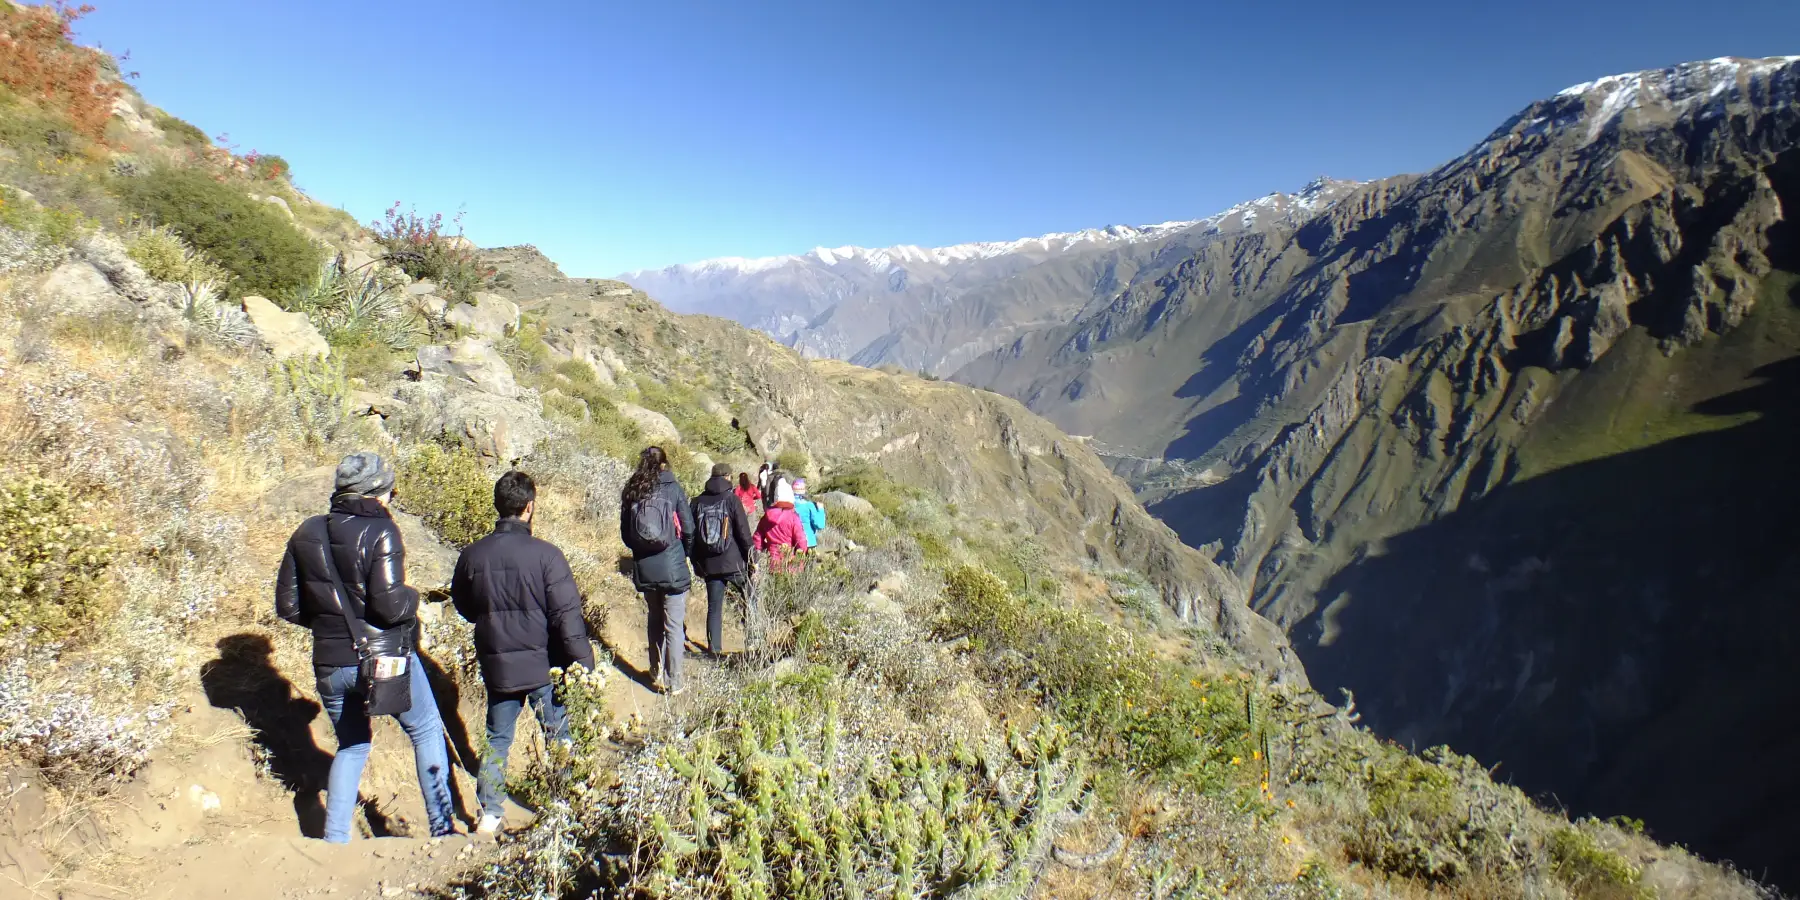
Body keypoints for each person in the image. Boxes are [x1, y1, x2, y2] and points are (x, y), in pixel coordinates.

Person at [274, 452, 455, 844]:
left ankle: (335, 840)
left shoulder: (306, 531)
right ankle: (442, 831)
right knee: (425, 730)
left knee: (352, 744)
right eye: (389, 490)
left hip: (329, 661)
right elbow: (389, 605)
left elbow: (288, 607)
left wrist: (329, 624)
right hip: (384, 659)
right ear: (376, 493)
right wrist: (414, 598)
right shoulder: (382, 532)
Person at [450, 470, 596, 835]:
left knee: (498, 738)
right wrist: (584, 662)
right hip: (544, 664)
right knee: (558, 734)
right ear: (529, 508)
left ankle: (490, 813)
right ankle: (564, 804)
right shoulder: (547, 556)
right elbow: (567, 616)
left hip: (498, 662)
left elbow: (464, 605)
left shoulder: (472, 555)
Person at [620, 446, 695, 695]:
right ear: (664, 464)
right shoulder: (672, 488)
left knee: (654, 617)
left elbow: (626, 535)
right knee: (674, 624)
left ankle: (655, 668)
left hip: (645, 566)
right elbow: (689, 527)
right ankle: (675, 683)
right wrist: (682, 551)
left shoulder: (632, 490)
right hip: (672, 563)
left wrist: (641, 550)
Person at [692, 464, 754, 658]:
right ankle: (752, 642)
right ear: (728, 477)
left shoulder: (696, 502)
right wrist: (752, 558)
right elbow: (744, 533)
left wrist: (696, 562)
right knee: (749, 598)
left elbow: (690, 536)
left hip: (709, 564)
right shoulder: (732, 500)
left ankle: (714, 649)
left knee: (714, 607)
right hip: (733, 562)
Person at [754, 477, 809, 573]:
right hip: (791, 561)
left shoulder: (766, 517)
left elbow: (757, 538)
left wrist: (758, 552)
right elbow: (801, 540)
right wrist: (800, 555)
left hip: (772, 560)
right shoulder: (793, 517)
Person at [792, 478, 827, 550]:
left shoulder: (788, 506)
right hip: (809, 542)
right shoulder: (809, 506)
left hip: (792, 542)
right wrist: (820, 510)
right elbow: (820, 525)